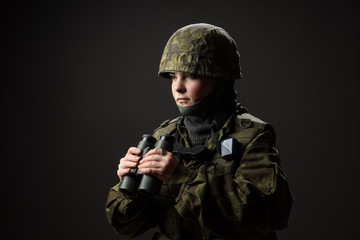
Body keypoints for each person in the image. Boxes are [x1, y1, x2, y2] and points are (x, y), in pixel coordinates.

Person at [105, 23, 293, 240]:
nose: (178, 87)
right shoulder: (163, 138)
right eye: (174, 76)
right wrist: (129, 187)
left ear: (220, 78)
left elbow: (264, 216)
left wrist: (178, 177)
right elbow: (126, 225)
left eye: (191, 75)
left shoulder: (253, 136)